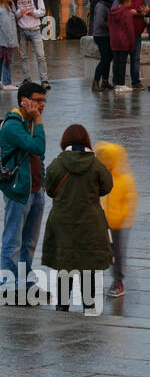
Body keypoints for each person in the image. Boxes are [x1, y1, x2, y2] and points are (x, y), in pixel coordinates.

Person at [37, 123, 112, 312]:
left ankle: (62, 306)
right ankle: (89, 305)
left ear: (65, 141)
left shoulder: (58, 163)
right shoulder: (95, 164)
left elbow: (50, 188)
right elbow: (107, 186)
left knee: (64, 263)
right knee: (88, 265)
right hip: (90, 223)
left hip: (62, 222)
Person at [0, 81, 47, 291]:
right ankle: (9, 286)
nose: (42, 104)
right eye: (38, 100)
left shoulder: (29, 123)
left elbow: (39, 155)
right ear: (24, 101)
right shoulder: (12, 125)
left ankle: (26, 283)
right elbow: (37, 146)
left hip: (36, 191)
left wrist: (42, 182)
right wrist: (38, 119)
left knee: (29, 243)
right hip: (18, 192)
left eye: (44, 100)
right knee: (13, 241)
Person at [91, 141, 135, 299]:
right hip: (98, 222)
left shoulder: (123, 179)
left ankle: (118, 281)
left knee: (115, 253)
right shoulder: (96, 177)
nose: (105, 162)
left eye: (108, 159)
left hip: (116, 224)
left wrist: (122, 217)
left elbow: (129, 200)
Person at [12, 0, 49, 91]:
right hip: (22, 30)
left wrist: (33, 13)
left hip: (35, 29)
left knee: (40, 56)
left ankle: (44, 80)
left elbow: (42, 11)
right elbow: (15, 14)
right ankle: (27, 79)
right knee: (23, 57)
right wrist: (20, 12)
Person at [89, 0, 112, 93]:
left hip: (107, 35)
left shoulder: (107, 4)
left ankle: (105, 81)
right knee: (104, 60)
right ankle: (95, 82)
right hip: (101, 36)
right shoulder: (101, 6)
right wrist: (112, 24)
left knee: (108, 59)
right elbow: (99, 22)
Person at [0, 0, 17, 91]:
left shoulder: (4, 8)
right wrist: (12, 42)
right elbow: (7, 28)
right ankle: (7, 82)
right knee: (7, 61)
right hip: (6, 42)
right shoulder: (4, 10)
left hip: (1, 41)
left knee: (1, 61)